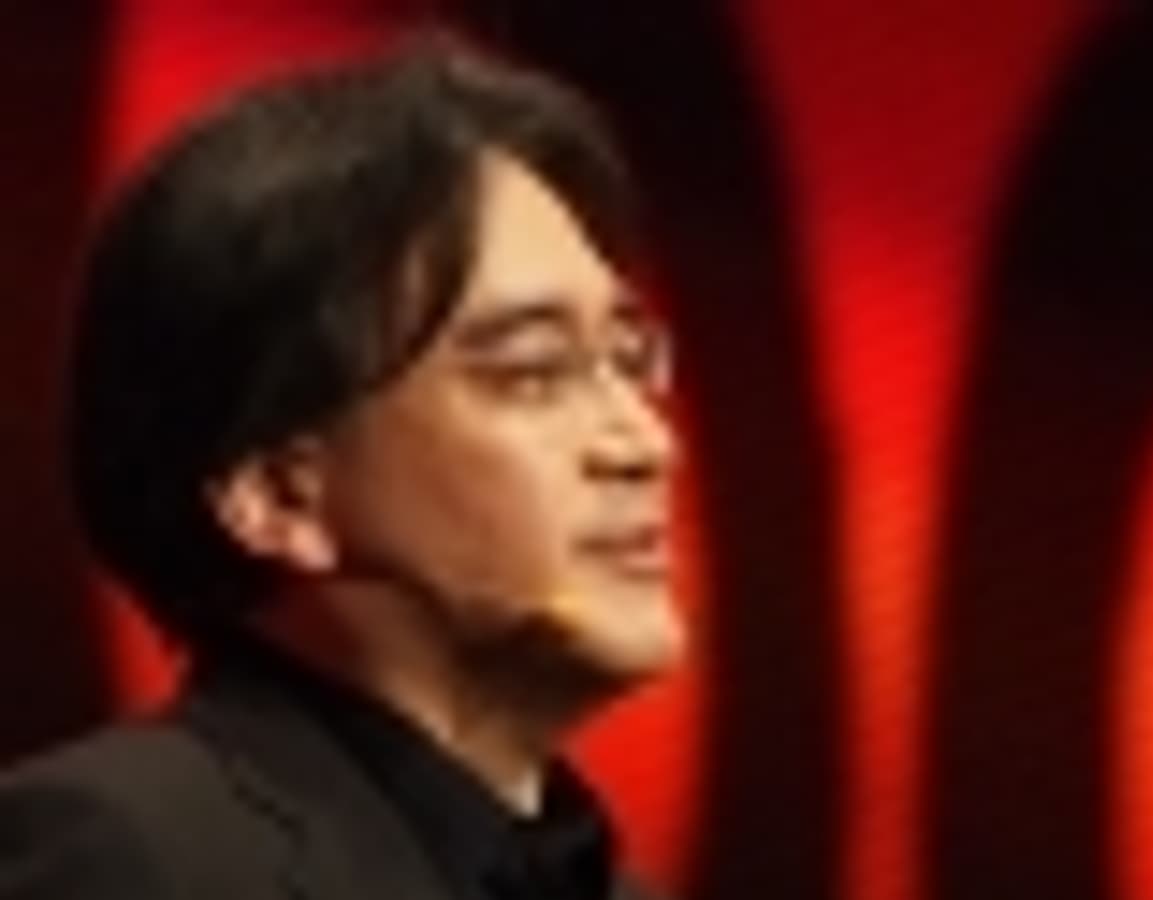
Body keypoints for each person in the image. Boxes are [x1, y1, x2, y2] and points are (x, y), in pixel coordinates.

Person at [0, 36, 681, 900]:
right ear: (279, 494)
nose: (644, 445)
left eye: (628, 359)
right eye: (533, 372)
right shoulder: (126, 855)